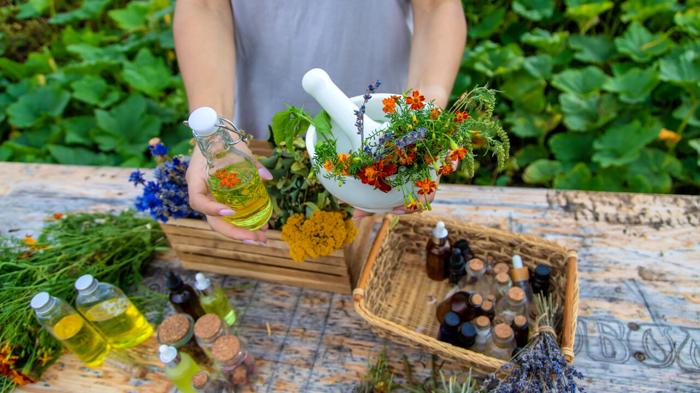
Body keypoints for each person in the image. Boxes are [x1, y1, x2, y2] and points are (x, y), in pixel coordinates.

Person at [174, 0, 467, 242]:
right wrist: (213, 127)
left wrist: (426, 111)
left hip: (385, 103)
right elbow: (205, 6)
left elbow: (435, 6)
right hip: (261, 117)